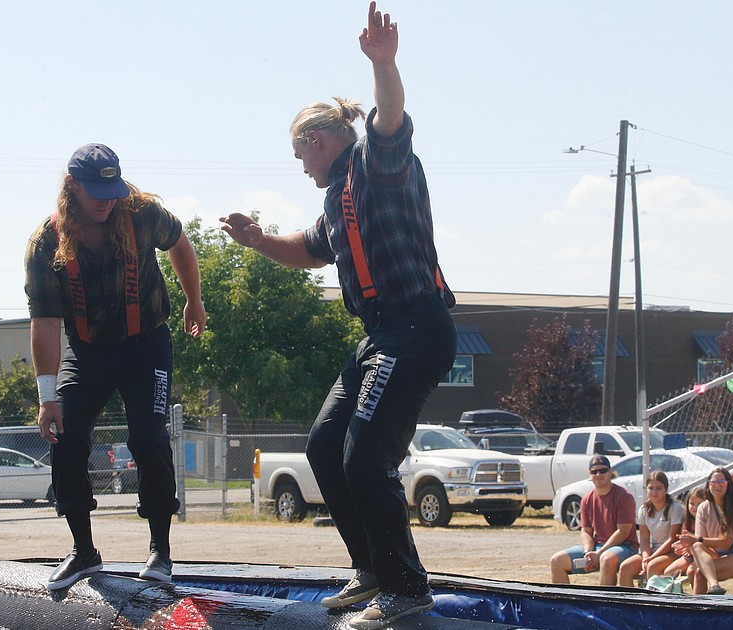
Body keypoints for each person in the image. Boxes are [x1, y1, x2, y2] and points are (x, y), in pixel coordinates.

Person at [218, 4, 455, 627]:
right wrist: (257, 241)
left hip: (418, 325)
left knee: (364, 457)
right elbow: (310, 249)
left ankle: (405, 589)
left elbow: (391, 120)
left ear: (318, 142)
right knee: (325, 445)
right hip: (381, 335)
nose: (301, 168)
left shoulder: (376, 166)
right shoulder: (338, 199)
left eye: (302, 157)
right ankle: (372, 570)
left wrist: (385, 63)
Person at [25, 143, 207, 591]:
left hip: (146, 346)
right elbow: (46, 323)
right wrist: (48, 399)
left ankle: (160, 552)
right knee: (63, 434)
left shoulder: (143, 213)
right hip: (86, 352)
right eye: (96, 192)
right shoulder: (46, 242)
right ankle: (84, 553)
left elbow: (180, 243)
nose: (106, 200)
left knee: (148, 435)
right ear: (71, 187)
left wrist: (193, 299)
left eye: (112, 189)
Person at [549, 455, 639, 586]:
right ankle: (565, 605)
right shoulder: (586, 499)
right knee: (557, 561)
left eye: (602, 470)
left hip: (625, 547)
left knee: (606, 559)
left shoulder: (624, 497)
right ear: (589, 474)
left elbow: (623, 532)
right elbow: (586, 531)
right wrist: (588, 553)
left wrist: (599, 553)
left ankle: (605, 604)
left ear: (610, 472)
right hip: (597, 547)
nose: (598, 474)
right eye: (594, 471)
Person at [680, 467, 733, 595]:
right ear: (708, 485)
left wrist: (697, 540)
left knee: (699, 573)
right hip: (714, 554)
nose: (717, 486)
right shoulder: (703, 507)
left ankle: (701, 607)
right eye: (713, 483)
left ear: (728, 485)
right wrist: (689, 542)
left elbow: (727, 543)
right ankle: (713, 587)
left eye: (722, 483)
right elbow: (701, 543)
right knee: (696, 546)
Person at [619, 471, 684, 586]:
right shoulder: (644, 509)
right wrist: (645, 557)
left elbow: (672, 539)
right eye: (651, 488)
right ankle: (631, 601)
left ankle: (653, 601)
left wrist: (651, 558)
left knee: (653, 565)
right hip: (652, 552)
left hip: (672, 552)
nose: (654, 492)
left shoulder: (675, 508)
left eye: (658, 488)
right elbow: (644, 540)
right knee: (625, 567)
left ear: (666, 489)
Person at [661, 487, 708, 580]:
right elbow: (683, 541)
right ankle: (678, 592)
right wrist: (681, 546)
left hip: (704, 555)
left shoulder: (707, 521)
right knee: (668, 572)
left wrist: (689, 548)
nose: (695, 507)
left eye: (699, 504)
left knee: (692, 572)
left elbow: (707, 544)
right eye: (692, 504)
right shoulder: (687, 522)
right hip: (689, 556)